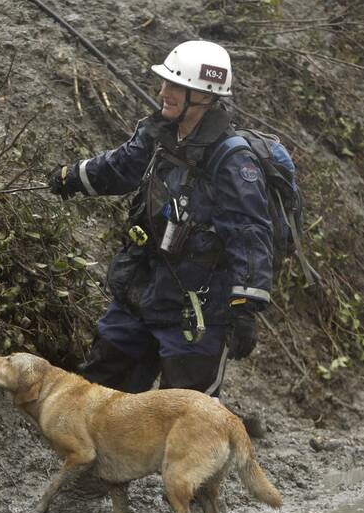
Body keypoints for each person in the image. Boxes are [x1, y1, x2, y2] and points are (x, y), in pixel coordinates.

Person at [48, 40, 274, 398]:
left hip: (195, 311)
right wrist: (72, 177)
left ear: (204, 96)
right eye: (165, 83)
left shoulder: (232, 161)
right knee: (98, 396)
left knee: (185, 418)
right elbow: (120, 166)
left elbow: (249, 234)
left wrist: (245, 308)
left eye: (175, 86)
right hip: (141, 291)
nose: (163, 91)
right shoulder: (157, 135)